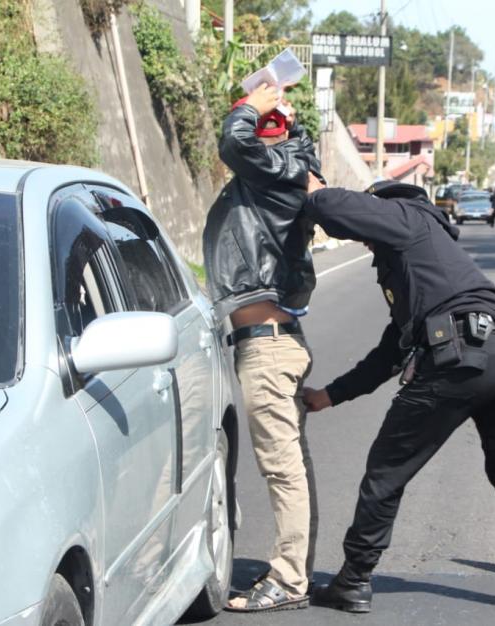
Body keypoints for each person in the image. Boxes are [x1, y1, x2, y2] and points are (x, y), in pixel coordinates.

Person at [300, 177, 495, 617]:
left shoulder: (407, 216)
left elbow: (334, 209)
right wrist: (330, 395)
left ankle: (354, 580)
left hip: (460, 358)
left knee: (386, 471)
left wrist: (314, 191)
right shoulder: (427, 267)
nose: (370, 246)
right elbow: (390, 353)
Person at [203, 83, 323, 612]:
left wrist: (251, 107)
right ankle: (295, 572)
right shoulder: (284, 168)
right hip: (269, 342)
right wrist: (284, 121)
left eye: (261, 123)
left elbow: (234, 142)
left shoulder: (278, 171)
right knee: (289, 464)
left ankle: (290, 579)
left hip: (269, 348)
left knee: (283, 468)